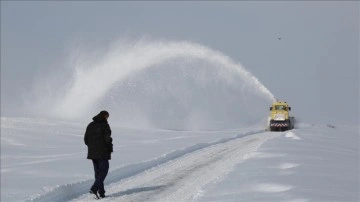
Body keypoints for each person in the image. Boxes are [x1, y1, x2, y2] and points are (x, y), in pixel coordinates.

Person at [84, 110, 113, 199]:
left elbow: (86, 139)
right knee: (104, 170)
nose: (108, 118)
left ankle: (101, 193)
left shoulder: (90, 125)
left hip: (92, 153)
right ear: (104, 116)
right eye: (107, 116)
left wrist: (92, 146)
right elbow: (107, 139)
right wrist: (109, 145)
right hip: (102, 152)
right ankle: (94, 188)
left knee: (98, 173)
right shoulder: (105, 125)